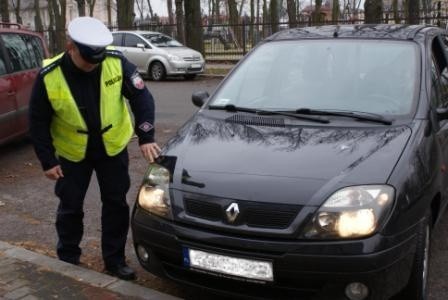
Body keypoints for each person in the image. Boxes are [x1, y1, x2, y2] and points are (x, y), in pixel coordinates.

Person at [29, 16, 161, 280]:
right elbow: (37, 121)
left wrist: (146, 135)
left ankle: (114, 260)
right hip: (72, 154)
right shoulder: (49, 75)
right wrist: (47, 160)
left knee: (115, 204)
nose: (92, 66)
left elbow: (141, 97)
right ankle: (68, 257)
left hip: (111, 149)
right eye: (87, 60)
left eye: (96, 61)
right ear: (71, 48)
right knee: (70, 206)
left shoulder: (115, 62)